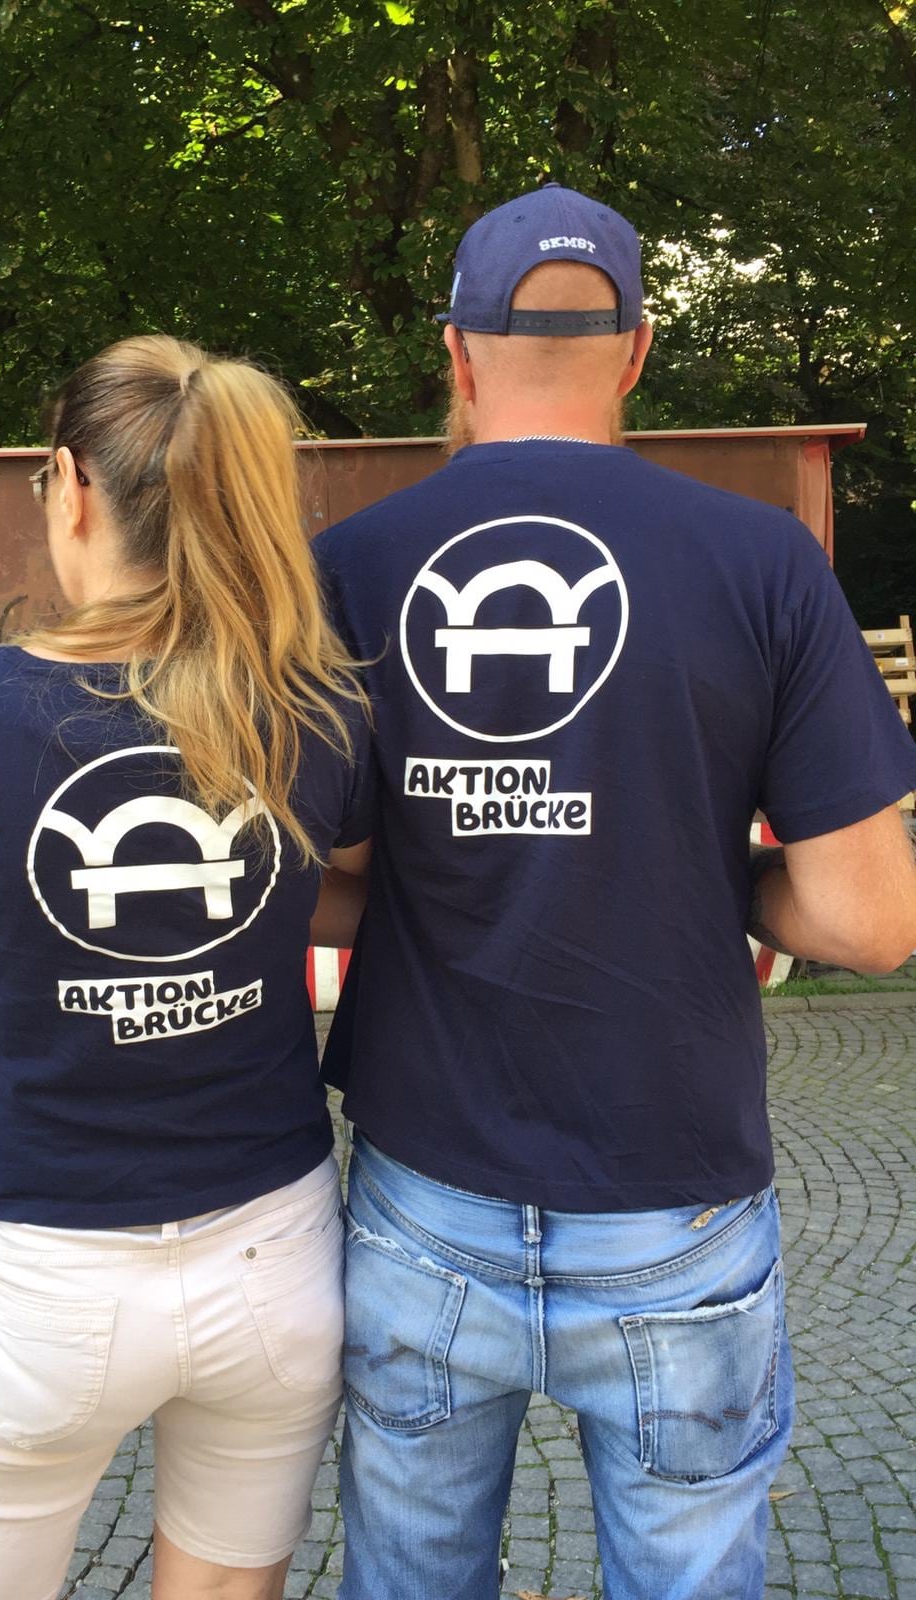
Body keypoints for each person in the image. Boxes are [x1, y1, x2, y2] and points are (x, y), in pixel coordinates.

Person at [313, 183, 916, 1600]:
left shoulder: (351, 568)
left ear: (455, 353)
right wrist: (726, 874)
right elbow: (872, 921)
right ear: (639, 351)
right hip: (674, 1198)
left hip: (427, 1189)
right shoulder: (764, 560)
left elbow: (316, 881)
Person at [0, 335, 373, 1600]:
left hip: (44, 1282)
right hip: (274, 1261)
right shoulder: (311, 705)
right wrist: (246, 910)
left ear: (72, 483)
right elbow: (349, 898)